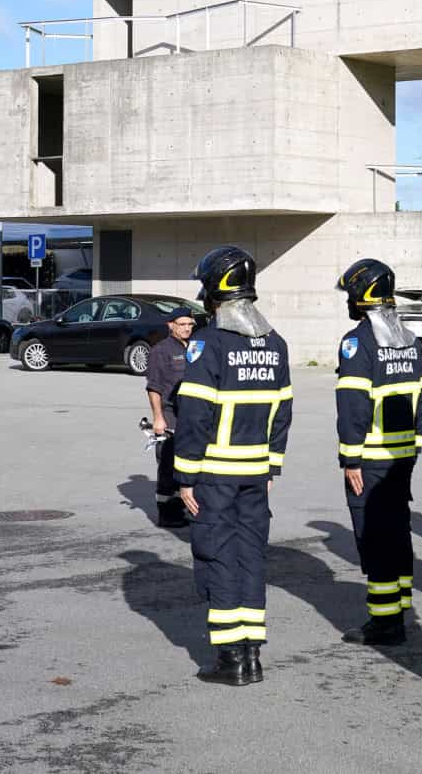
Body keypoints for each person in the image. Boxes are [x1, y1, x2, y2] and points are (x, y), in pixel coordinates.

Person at [173, 246, 292, 686]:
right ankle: (253, 654)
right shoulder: (275, 344)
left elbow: (195, 415)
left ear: (214, 290)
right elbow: (283, 412)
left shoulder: (208, 343)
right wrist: (271, 466)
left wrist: (185, 476)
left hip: (215, 474)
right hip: (255, 474)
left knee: (219, 557)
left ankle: (231, 660)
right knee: (251, 558)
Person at [334, 258, 422, 646]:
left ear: (361, 296)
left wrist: (350, 457)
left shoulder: (358, 342)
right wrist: (414, 445)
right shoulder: (409, 339)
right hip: (402, 455)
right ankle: (400, 603)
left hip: (371, 459)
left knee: (374, 535)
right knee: (397, 529)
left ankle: (386, 621)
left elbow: (353, 406)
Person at [144, 307, 197, 528]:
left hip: (193, 413)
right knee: (168, 462)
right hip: (170, 413)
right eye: (182, 324)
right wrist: (158, 418)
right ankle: (168, 513)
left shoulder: (196, 347)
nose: (187, 328)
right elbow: (154, 387)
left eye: (190, 324)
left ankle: (186, 506)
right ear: (170, 325)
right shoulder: (161, 351)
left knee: (189, 460)